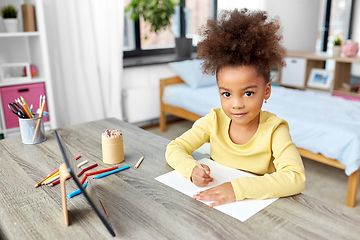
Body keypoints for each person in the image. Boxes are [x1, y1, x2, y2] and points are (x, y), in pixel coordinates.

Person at [165, 8, 306, 208]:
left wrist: (237, 189)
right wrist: (190, 169)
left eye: (248, 93)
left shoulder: (275, 129)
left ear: (266, 91)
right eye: (226, 94)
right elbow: (174, 148)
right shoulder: (213, 120)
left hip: (256, 208)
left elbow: (295, 177)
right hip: (214, 205)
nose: (236, 104)